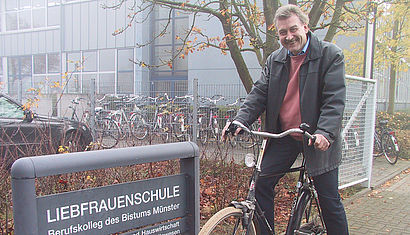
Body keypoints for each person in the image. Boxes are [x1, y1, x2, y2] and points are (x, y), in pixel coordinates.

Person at [222, 4, 349, 235]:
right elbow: (259, 93)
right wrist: (240, 121)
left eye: (293, 29)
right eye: (282, 33)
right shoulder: (275, 59)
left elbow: (334, 101)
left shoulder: (330, 56)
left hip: (317, 138)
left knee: (329, 200)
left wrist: (325, 133)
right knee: (261, 184)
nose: (288, 37)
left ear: (305, 26)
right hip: (285, 136)